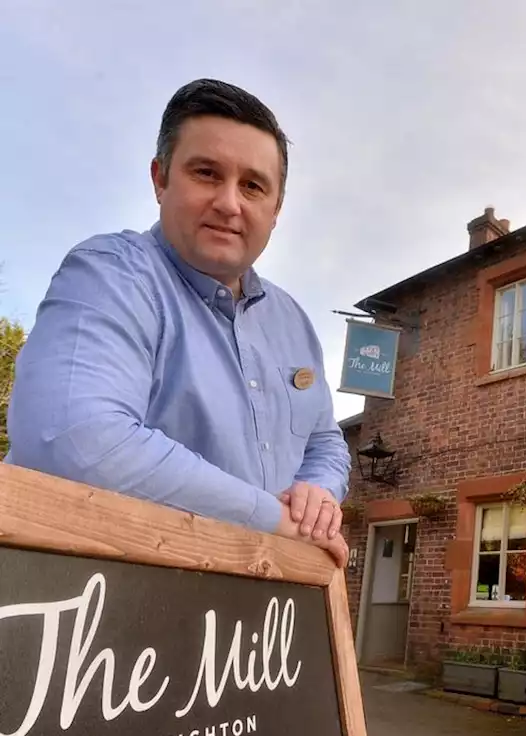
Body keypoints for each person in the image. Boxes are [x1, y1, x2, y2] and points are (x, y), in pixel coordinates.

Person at [5, 79, 350, 565]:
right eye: (207, 173)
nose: (230, 203)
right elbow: (72, 440)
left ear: (275, 209)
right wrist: (274, 523)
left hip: (249, 621)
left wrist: (317, 492)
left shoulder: (293, 321)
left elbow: (324, 439)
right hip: (94, 610)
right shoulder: (112, 274)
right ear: (160, 179)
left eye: (253, 185)